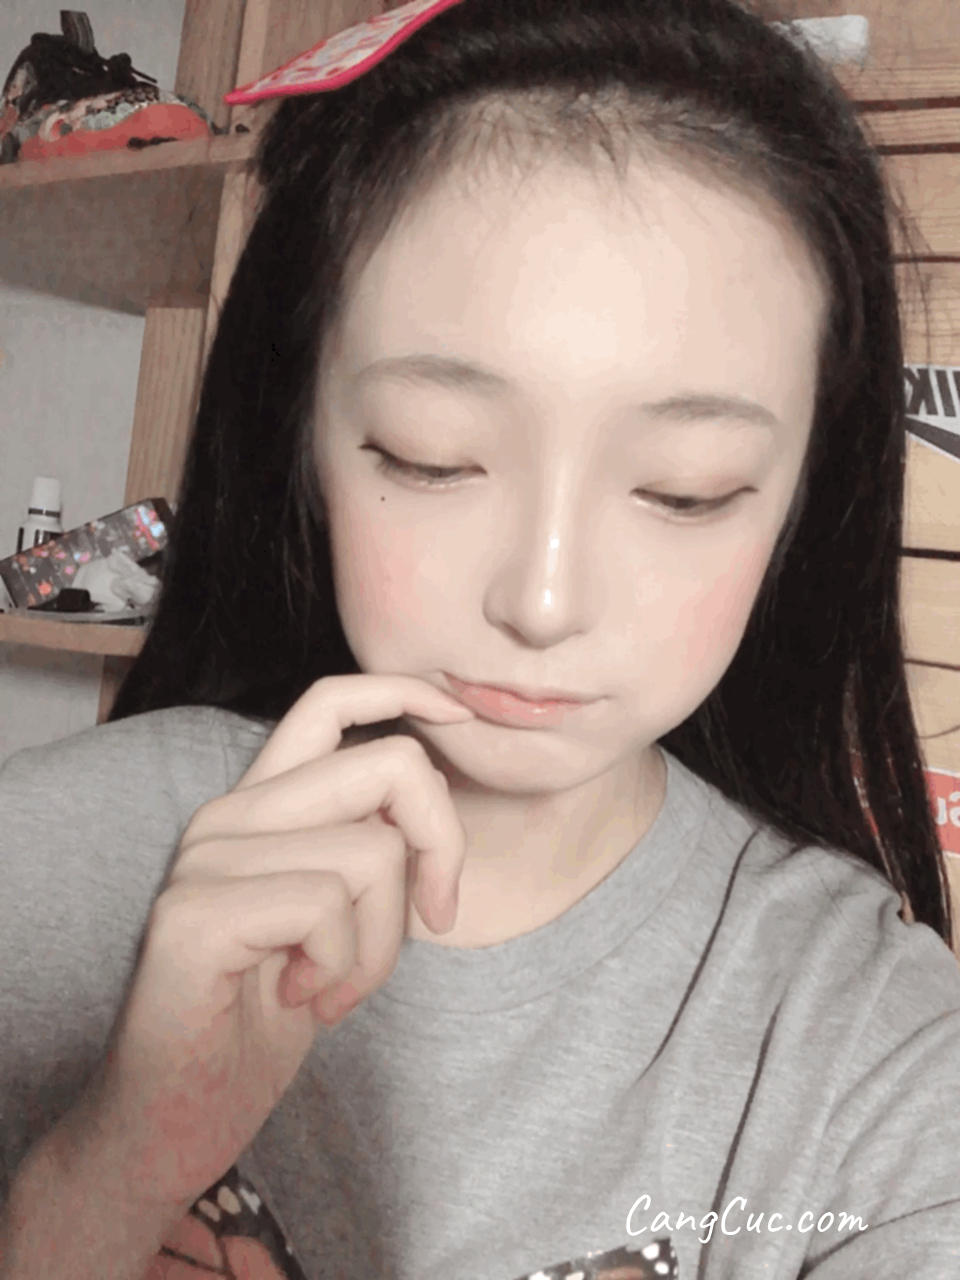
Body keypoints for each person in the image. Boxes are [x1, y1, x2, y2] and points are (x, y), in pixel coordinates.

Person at [1, 0, 958, 1276]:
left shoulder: (873, 1048)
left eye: (686, 489)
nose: (542, 600)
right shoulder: (37, 867)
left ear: (801, 500)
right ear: (304, 433)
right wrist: (109, 1171)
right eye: (432, 457)